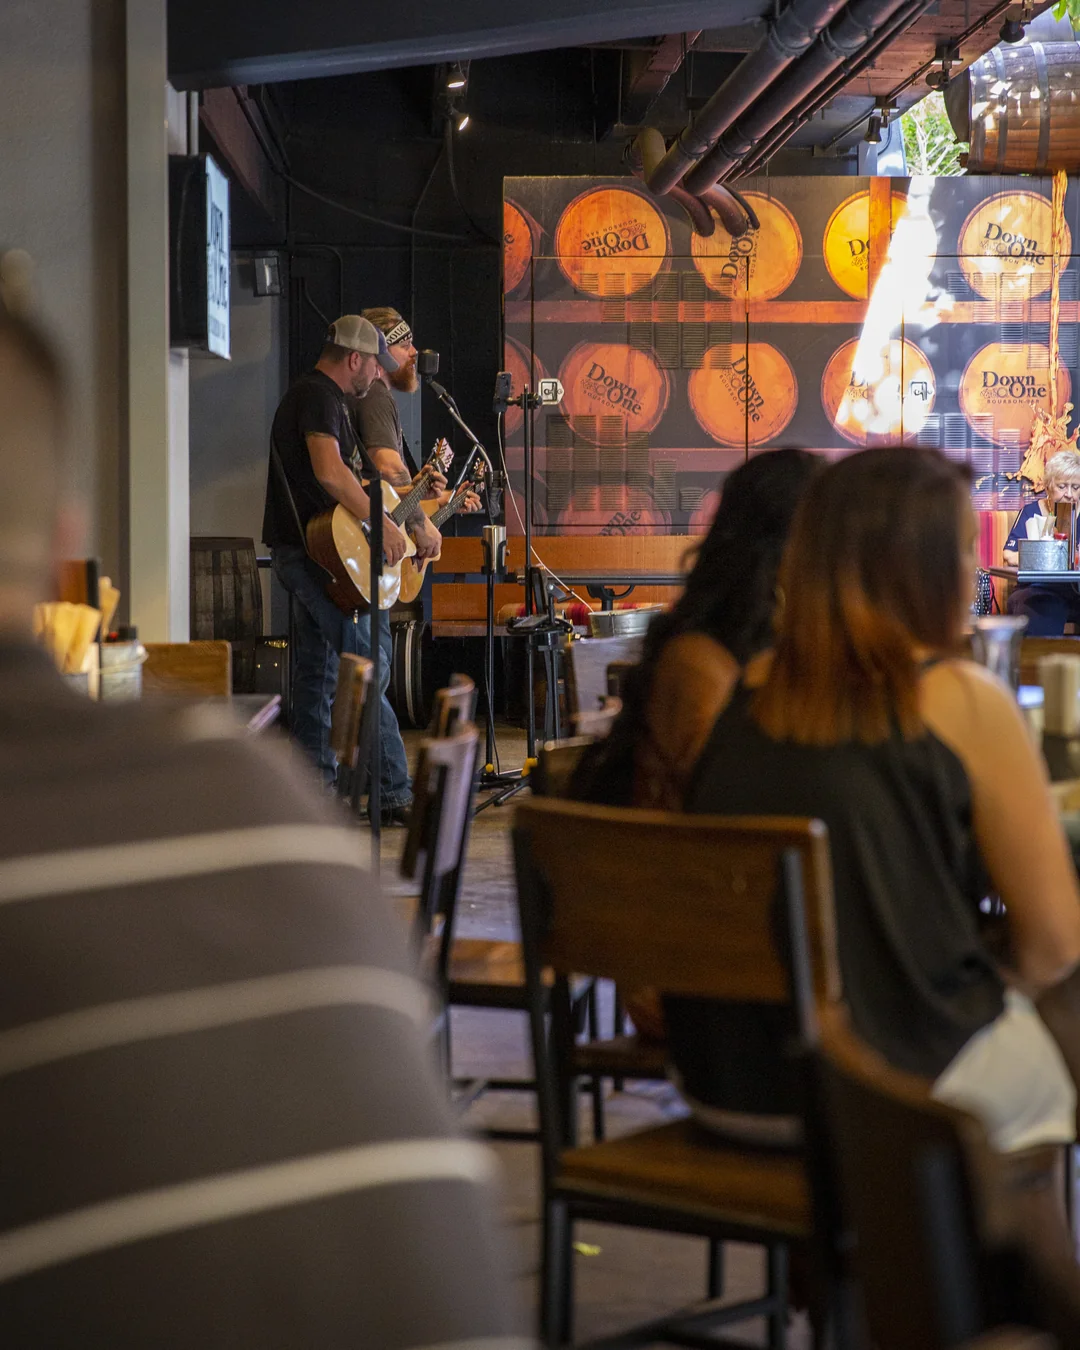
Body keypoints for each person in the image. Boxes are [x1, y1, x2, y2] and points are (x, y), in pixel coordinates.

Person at [0, 305, 524, 1346]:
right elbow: (334, 480)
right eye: (386, 358)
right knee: (336, 675)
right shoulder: (243, 799)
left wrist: (415, 506)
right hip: (313, 561)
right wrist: (398, 514)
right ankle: (368, 786)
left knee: (341, 678)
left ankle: (366, 783)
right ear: (67, 537)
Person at [570, 448, 819, 811]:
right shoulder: (698, 662)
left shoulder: (776, 643)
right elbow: (729, 810)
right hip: (687, 859)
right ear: (781, 547)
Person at [261, 315, 414, 819]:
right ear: (355, 359)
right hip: (311, 558)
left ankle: (313, 797)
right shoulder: (321, 397)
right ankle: (393, 792)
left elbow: (343, 477)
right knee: (362, 666)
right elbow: (330, 473)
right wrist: (384, 525)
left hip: (309, 555)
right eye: (374, 363)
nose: (377, 374)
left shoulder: (322, 399)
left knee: (317, 675)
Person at [1005, 447, 1080, 635]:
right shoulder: (1031, 512)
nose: (1070, 494)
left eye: (1076, 487)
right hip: (1036, 589)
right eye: (1062, 487)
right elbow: (1009, 555)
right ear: (1048, 487)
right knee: (1041, 605)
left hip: (1076, 590)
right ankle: (1038, 662)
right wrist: (1043, 555)